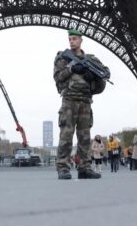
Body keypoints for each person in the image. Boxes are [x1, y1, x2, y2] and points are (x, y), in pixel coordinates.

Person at [53, 29, 110, 180]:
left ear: (81, 40)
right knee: (66, 135)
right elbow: (57, 77)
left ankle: (84, 168)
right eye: (70, 39)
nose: (71, 41)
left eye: (74, 39)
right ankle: (63, 168)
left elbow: (105, 73)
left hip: (85, 101)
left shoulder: (91, 60)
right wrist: (71, 68)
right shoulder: (63, 58)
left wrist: (94, 78)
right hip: (69, 101)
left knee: (85, 137)